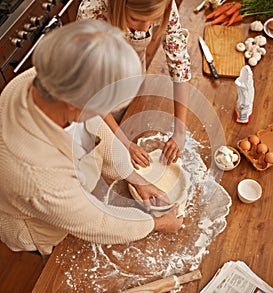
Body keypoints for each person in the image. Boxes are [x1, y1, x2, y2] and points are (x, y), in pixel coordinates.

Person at [0, 20, 183, 256]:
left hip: (60, 192)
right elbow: (97, 223)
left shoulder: (50, 79)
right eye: (101, 107)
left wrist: (134, 177)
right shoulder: (39, 178)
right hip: (37, 224)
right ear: (73, 105)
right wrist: (157, 224)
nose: (102, 114)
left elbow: (96, 126)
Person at [77, 0, 191, 168]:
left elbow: (179, 64)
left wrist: (180, 131)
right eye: (135, 19)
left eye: (153, 20)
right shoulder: (93, 12)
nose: (145, 29)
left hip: (134, 80)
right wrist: (124, 143)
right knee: (103, 156)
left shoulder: (162, 3)